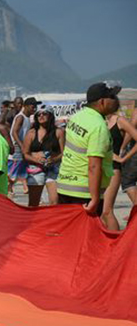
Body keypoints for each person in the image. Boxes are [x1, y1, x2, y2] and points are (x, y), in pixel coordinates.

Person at [57, 83, 121, 216]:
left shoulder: (77, 117)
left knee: (68, 232)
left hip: (65, 186)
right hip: (83, 192)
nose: (116, 100)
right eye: (113, 97)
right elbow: (93, 166)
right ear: (102, 101)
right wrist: (95, 198)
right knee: (85, 235)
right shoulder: (98, 127)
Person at [101, 103, 137, 230]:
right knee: (99, 212)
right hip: (97, 167)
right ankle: (105, 244)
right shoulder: (98, 120)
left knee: (107, 210)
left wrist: (123, 158)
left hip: (113, 168)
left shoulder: (119, 120)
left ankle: (115, 244)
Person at [22, 107, 64, 207]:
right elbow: (25, 154)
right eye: (38, 114)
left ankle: (52, 222)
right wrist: (36, 160)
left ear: (50, 116)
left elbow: (64, 153)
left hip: (53, 169)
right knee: (33, 203)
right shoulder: (31, 133)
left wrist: (53, 159)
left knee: (55, 202)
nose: (41, 116)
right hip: (36, 169)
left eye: (44, 113)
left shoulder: (59, 132)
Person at [9, 97, 38, 196]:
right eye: (32, 107)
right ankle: (8, 188)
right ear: (25, 106)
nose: (34, 109)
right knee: (14, 170)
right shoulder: (20, 117)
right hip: (18, 146)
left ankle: (24, 188)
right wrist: (21, 145)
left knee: (23, 170)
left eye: (35, 107)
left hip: (23, 146)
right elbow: (14, 132)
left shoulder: (27, 119)